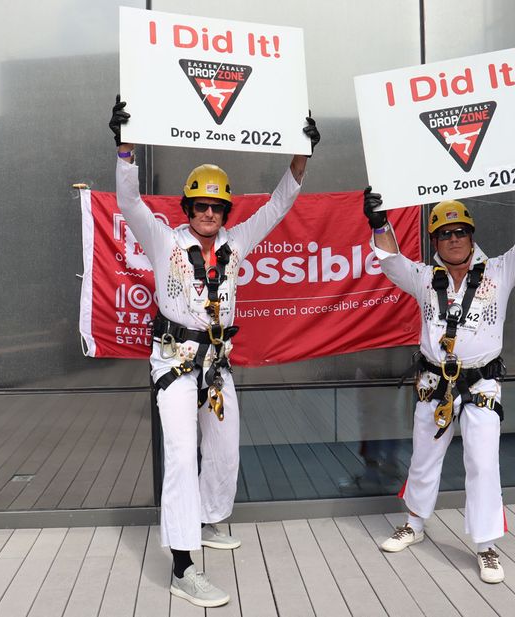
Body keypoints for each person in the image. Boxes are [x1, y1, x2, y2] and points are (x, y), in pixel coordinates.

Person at [109, 96, 320, 607]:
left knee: (224, 446)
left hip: (216, 364)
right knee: (182, 455)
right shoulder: (165, 242)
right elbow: (130, 203)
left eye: (216, 206)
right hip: (176, 362)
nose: (208, 212)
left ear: (226, 211)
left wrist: (301, 155)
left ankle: (206, 520)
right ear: (188, 209)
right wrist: (125, 146)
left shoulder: (236, 243)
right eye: (200, 205)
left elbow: (278, 206)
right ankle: (182, 566)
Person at [363, 167, 515, 583]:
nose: (454, 238)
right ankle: (415, 523)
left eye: (460, 231)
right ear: (435, 241)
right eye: (445, 234)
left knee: (482, 462)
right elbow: (390, 261)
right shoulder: (424, 278)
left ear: (472, 234)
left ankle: (486, 545)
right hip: (434, 385)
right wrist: (379, 222)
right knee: (425, 457)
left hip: (481, 384)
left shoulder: (500, 270)